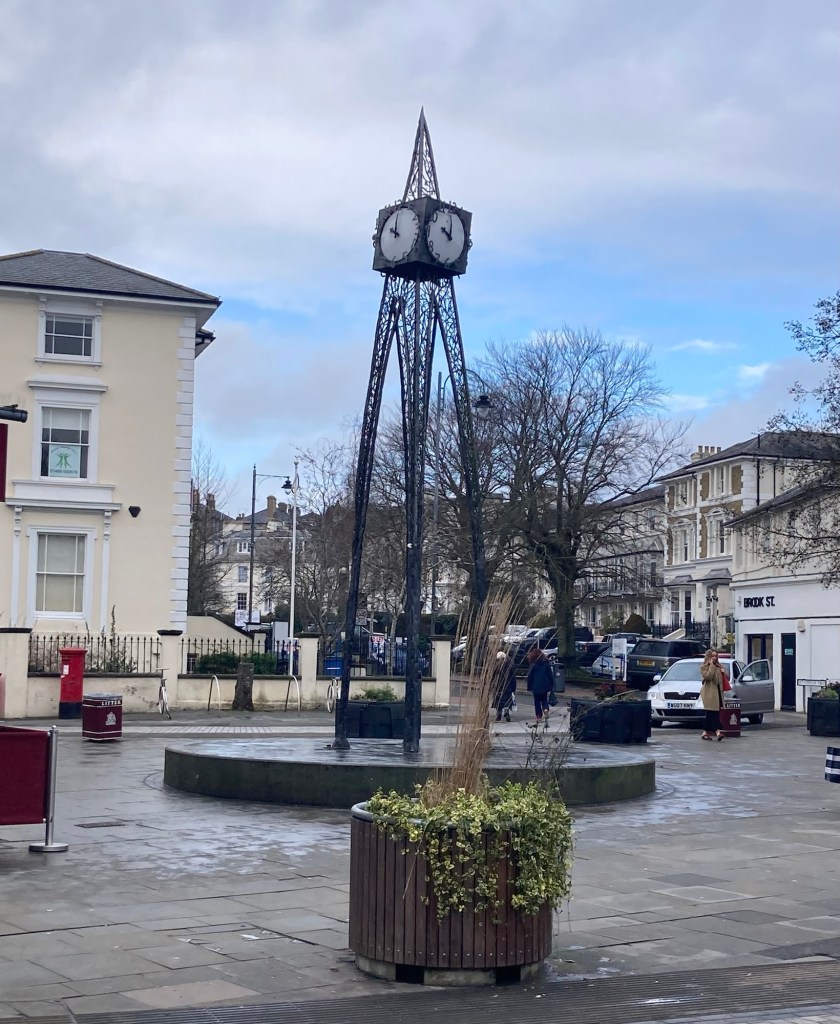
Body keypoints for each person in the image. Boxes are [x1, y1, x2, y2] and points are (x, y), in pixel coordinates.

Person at [700, 649, 726, 741]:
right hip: (709, 693)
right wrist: (711, 665)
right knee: (713, 713)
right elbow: (708, 676)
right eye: (712, 656)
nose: (714, 658)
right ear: (709, 657)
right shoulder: (704, 667)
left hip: (718, 692)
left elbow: (722, 680)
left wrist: (723, 672)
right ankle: (718, 731)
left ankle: (705, 733)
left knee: (711, 714)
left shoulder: (718, 666)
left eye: (716, 656)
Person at [526, 646, 554, 722]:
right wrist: (551, 684)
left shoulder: (533, 665)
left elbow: (530, 677)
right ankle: (545, 709)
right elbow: (550, 675)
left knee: (537, 701)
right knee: (544, 699)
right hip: (545, 685)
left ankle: (539, 716)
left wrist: (529, 687)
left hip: (536, 685)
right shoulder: (546, 664)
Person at [493, 650, 517, 722]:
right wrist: (513, 688)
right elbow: (513, 678)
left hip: (498, 685)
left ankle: (498, 716)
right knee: (507, 699)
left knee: (498, 700)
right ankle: (506, 710)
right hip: (508, 685)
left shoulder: (496, 665)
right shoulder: (510, 665)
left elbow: (492, 676)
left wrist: (492, 684)